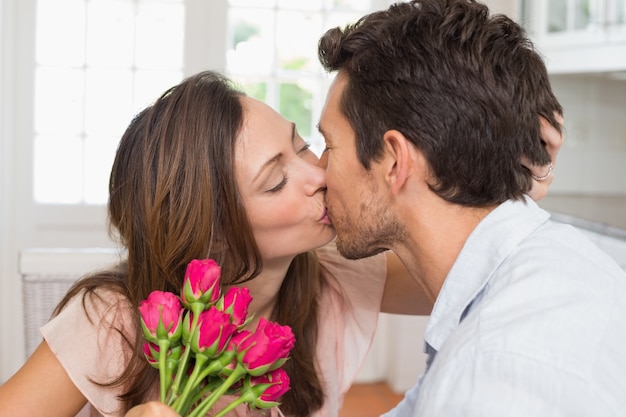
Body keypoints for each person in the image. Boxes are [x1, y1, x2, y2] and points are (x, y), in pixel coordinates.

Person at [0, 56, 561, 417]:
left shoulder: (338, 277)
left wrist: (513, 169)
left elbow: (465, 266)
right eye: (276, 181)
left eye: (302, 145)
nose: (319, 175)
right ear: (212, 233)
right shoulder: (115, 320)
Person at [315, 0, 626, 416]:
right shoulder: (548, 259)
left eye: (328, 146)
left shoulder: (490, 378)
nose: (318, 173)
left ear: (393, 161)